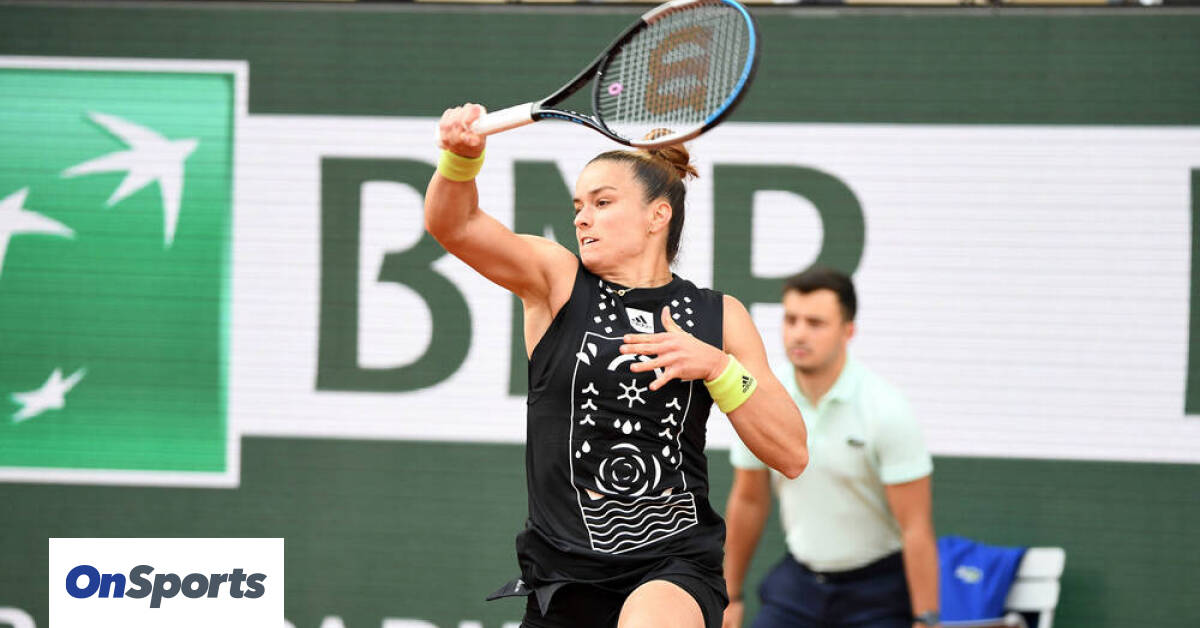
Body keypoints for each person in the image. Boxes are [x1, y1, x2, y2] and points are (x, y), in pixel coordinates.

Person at [424, 104, 808, 628]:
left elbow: (791, 452)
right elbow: (456, 224)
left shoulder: (720, 317)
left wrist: (719, 368)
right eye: (578, 205)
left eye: (602, 202)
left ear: (657, 215)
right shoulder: (557, 281)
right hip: (562, 579)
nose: (582, 218)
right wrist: (459, 160)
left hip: (673, 568)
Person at [722, 268, 940, 628]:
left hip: (877, 591)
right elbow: (749, 501)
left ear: (848, 331)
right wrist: (730, 596)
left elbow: (915, 527)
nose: (799, 333)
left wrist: (926, 618)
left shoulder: (886, 409)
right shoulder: (760, 400)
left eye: (816, 323)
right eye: (791, 319)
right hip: (798, 585)